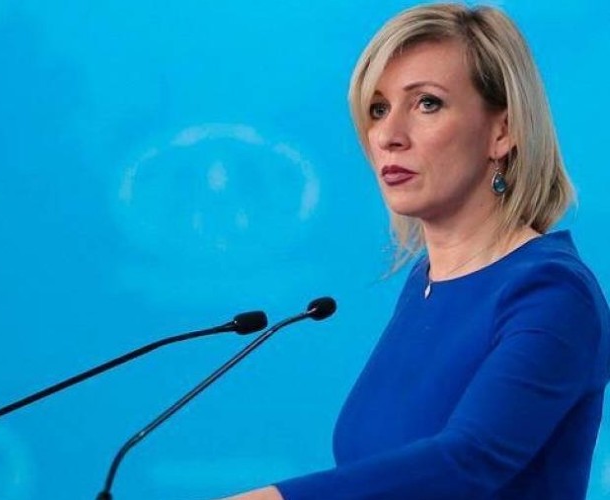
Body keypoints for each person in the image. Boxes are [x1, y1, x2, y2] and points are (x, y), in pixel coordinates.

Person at [220, 3, 610, 499]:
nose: (388, 136)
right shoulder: (424, 282)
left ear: (503, 131)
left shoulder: (551, 292)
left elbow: (467, 463)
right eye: (378, 109)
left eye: (427, 103)